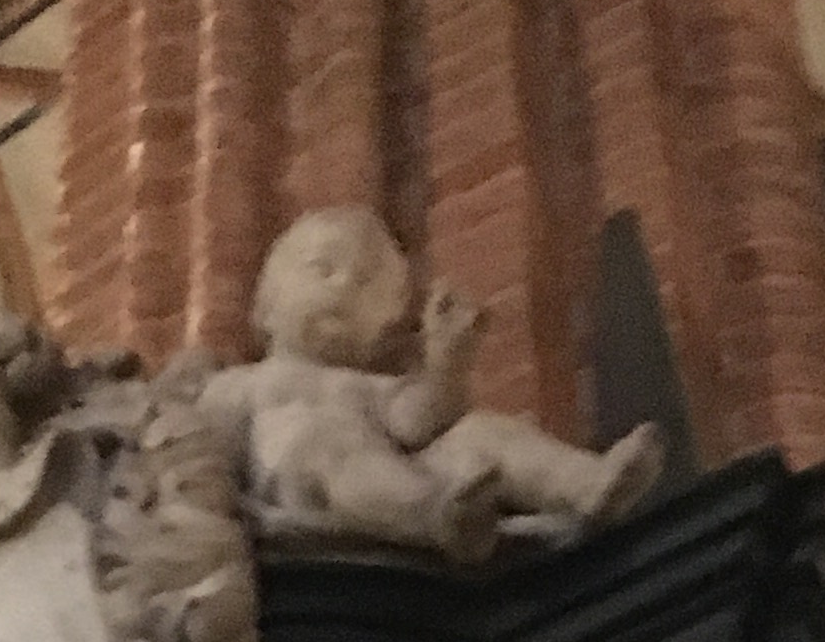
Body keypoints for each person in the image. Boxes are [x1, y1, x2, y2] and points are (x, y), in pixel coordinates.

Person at [202, 209, 663, 560]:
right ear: (266, 303)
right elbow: (206, 460)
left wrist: (447, 363)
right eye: (323, 269)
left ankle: (588, 484)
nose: (342, 287)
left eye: (364, 285)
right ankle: (437, 516)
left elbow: (417, 423)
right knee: (329, 445)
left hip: (397, 481)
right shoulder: (241, 385)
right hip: (308, 492)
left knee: (481, 432)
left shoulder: (367, 388)